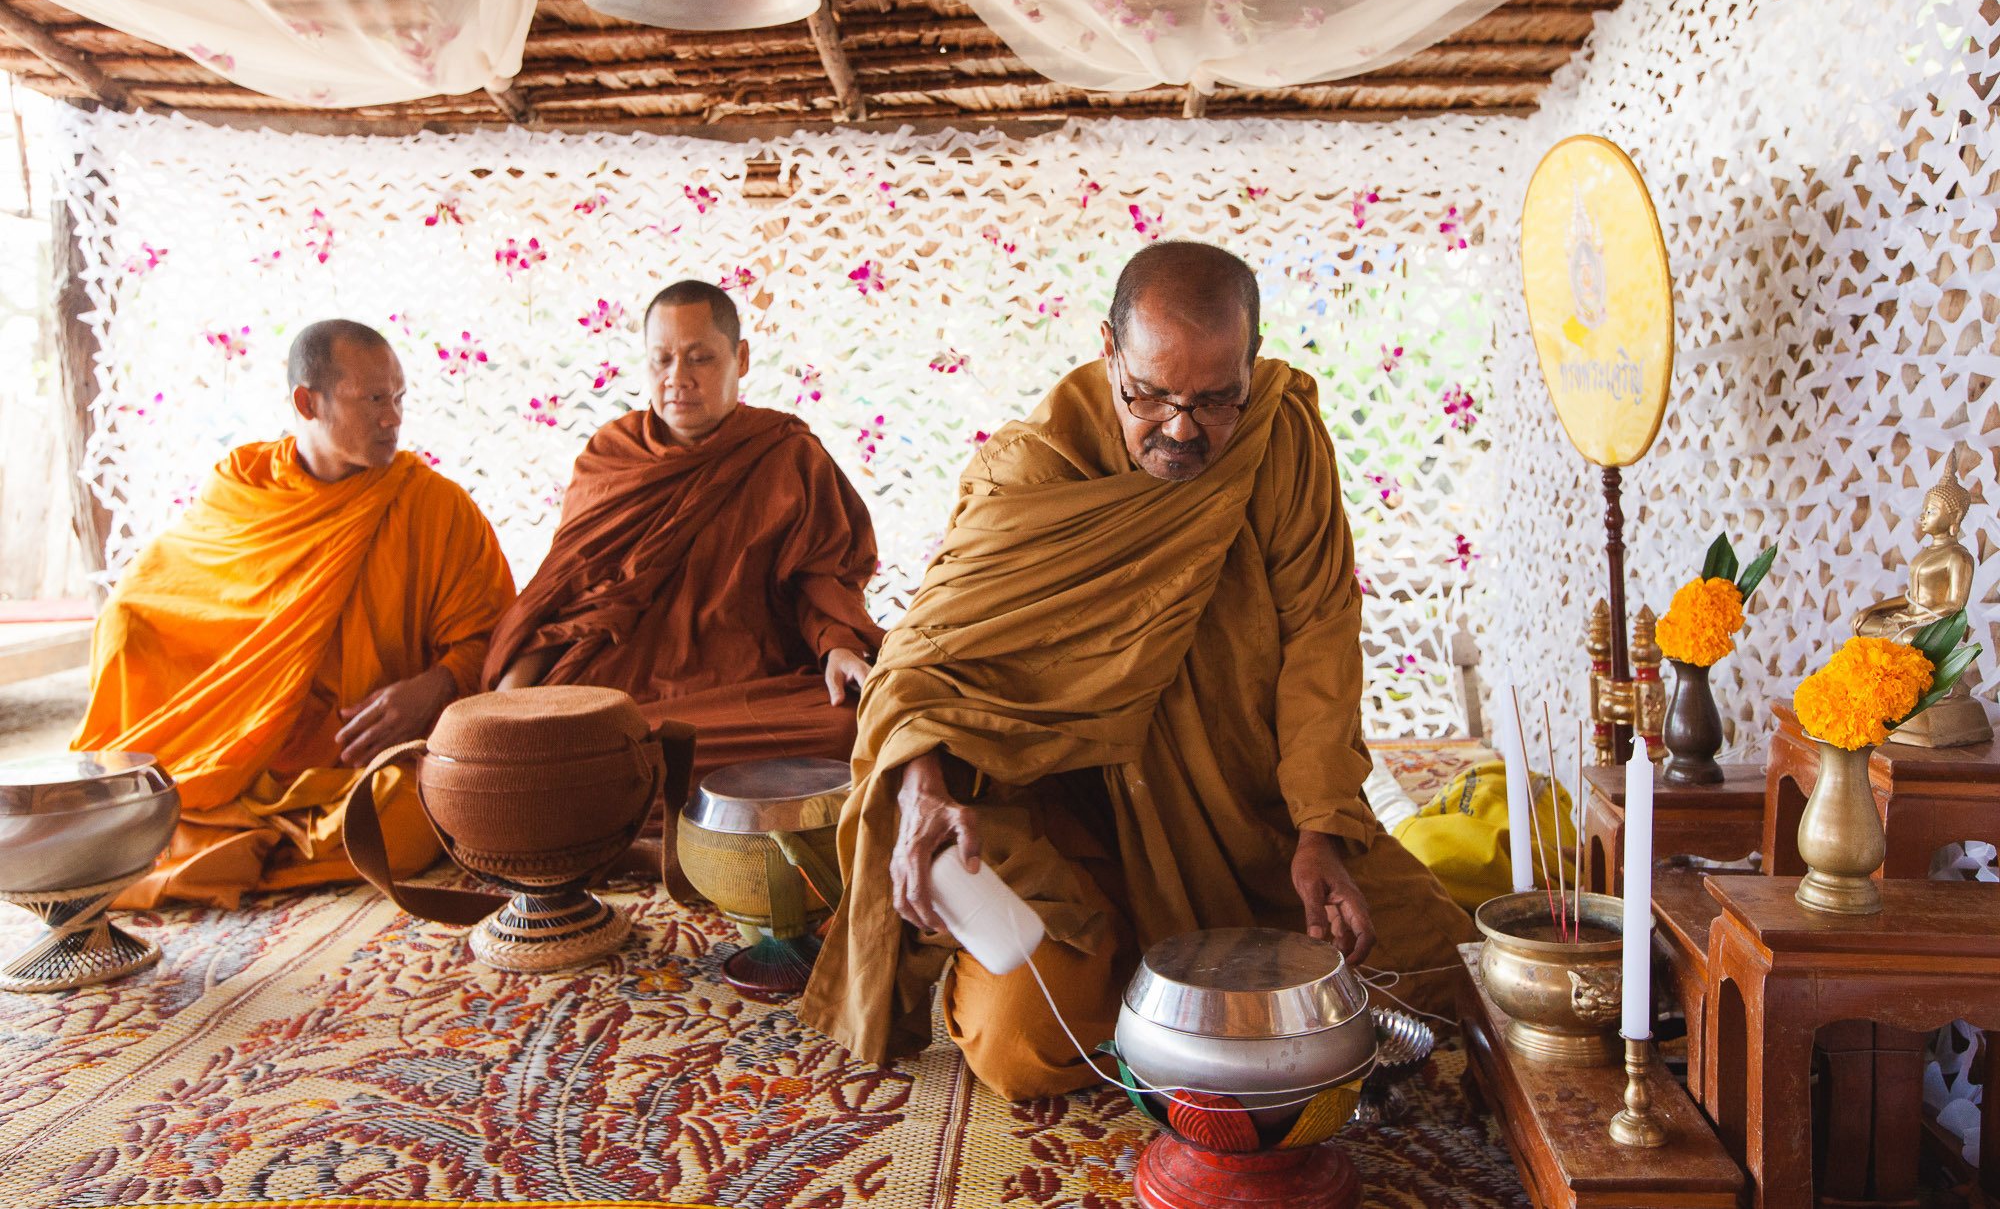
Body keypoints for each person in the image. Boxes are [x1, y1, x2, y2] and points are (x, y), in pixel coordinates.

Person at [799, 242, 1477, 1099]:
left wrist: (1318, 831)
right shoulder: (1031, 471)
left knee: (1440, 966)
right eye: (1149, 395)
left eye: (1215, 399)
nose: (1182, 428)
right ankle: (1133, 975)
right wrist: (926, 787)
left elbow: (1320, 635)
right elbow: (922, 664)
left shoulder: (1279, 438)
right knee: (1024, 1047)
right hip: (1069, 838)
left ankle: (1166, 989)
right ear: (1109, 352)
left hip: (1242, 830)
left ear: (1252, 365)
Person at [74, 319, 515, 908]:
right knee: (144, 790)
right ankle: (242, 828)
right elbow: (158, 597)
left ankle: (241, 840)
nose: (393, 418)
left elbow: (495, 636)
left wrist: (435, 686)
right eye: (374, 400)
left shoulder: (434, 506)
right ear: (308, 404)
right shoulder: (244, 492)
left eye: (399, 398)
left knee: (405, 823)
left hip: (368, 761)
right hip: (242, 758)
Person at [484, 280, 883, 793]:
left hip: (744, 690)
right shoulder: (613, 456)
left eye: (700, 358)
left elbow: (820, 582)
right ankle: (607, 767)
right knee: (535, 746)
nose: (678, 378)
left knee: (851, 729)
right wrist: (508, 703)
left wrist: (838, 649)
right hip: (617, 688)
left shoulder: (788, 455)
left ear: (740, 358)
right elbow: (567, 600)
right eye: (662, 359)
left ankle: (609, 779)